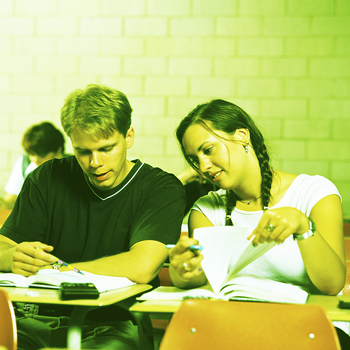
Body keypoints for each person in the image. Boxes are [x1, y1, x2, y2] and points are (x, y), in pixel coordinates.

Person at [0, 84, 186, 350]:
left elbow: (142, 266)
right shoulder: (46, 177)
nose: (94, 162)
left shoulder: (160, 188)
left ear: (129, 137)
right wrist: (11, 257)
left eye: (106, 148)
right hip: (32, 321)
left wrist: (57, 270)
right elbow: (3, 244)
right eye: (83, 151)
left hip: (115, 324)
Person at [168, 99, 350, 348]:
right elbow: (207, 286)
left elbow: (331, 285)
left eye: (208, 150)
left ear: (242, 136)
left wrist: (303, 226)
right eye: (194, 159)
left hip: (312, 331)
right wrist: (183, 274)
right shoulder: (206, 210)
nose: (202, 166)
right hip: (236, 330)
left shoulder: (314, 192)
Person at [0, 121, 65, 210]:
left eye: (41, 155)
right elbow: (12, 201)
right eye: (32, 154)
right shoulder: (25, 163)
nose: (35, 160)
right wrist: (3, 204)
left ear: (58, 151)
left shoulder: (73, 167)